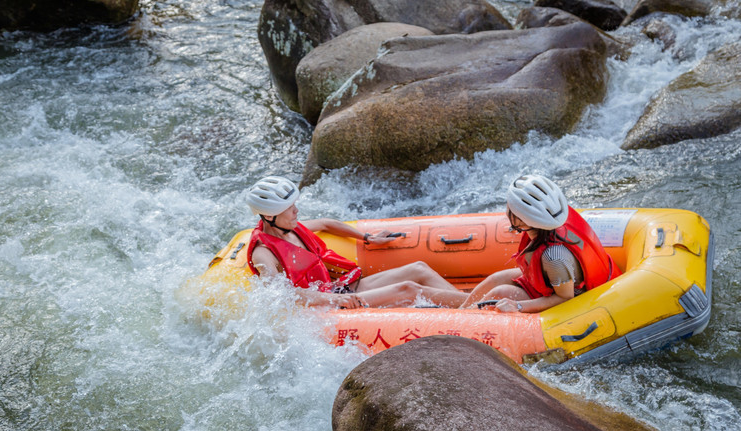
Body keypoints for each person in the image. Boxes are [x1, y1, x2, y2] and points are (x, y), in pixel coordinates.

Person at [245, 176, 466, 309]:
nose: (296, 211)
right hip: (328, 305)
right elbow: (280, 295)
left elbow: (326, 223)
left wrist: (368, 238)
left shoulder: (290, 227)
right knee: (407, 289)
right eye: (289, 208)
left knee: (419, 268)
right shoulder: (263, 253)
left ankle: (472, 304)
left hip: (341, 288)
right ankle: (477, 309)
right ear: (270, 216)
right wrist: (331, 300)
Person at [461, 174, 621, 313]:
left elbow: (565, 298)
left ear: (523, 221)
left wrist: (518, 306)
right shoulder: (547, 225)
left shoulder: (554, 257)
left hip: (572, 297)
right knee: (496, 279)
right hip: (549, 282)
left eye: (510, 206)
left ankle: (465, 322)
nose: (507, 207)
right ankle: (460, 312)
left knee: (500, 293)